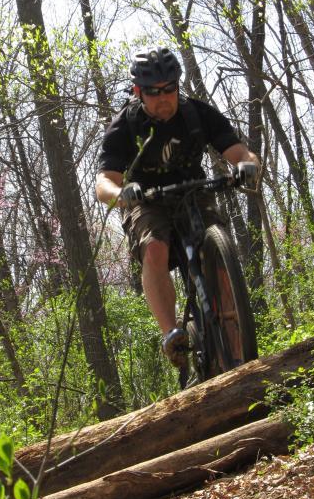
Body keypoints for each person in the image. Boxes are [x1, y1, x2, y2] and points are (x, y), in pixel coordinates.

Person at [95, 48, 260, 367]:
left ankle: (239, 354)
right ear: (138, 92)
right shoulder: (125, 125)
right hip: (147, 199)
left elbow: (240, 152)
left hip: (193, 190)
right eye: (154, 92)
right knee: (154, 248)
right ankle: (172, 333)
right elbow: (104, 181)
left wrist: (246, 166)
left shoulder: (197, 113)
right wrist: (120, 193)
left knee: (219, 254)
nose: (164, 98)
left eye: (170, 88)